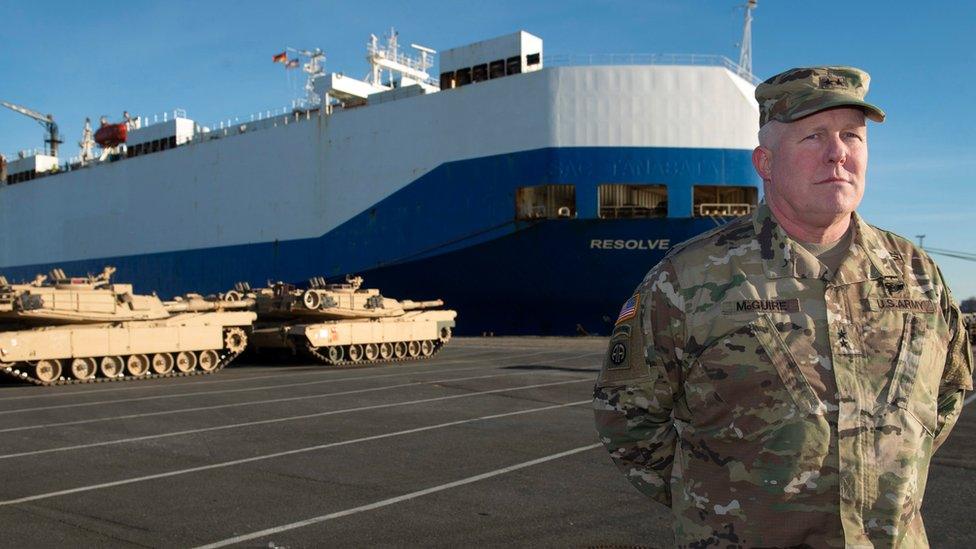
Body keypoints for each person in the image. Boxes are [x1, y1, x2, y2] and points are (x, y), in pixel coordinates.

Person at [593, 66, 973, 548]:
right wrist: (723, 502)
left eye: (852, 137)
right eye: (813, 136)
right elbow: (627, 419)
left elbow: (948, 393)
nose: (838, 153)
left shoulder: (918, 274)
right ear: (765, 162)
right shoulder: (689, 279)